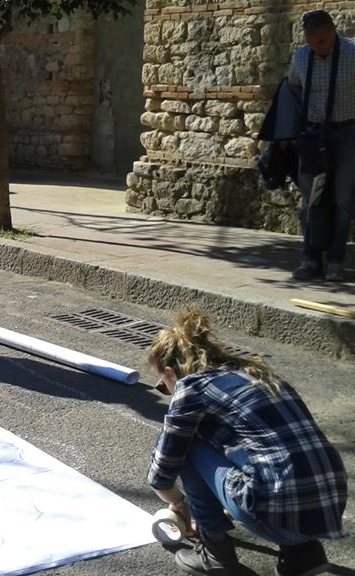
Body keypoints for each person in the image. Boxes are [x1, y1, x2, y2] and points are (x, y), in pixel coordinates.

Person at [147, 309, 346, 576]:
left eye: (163, 386)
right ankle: (303, 555)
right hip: (328, 503)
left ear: (171, 373)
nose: (167, 392)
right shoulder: (261, 375)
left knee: (188, 445)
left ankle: (215, 554)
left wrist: (180, 504)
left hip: (274, 507)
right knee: (269, 456)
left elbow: (161, 473)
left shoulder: (192, 386)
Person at [287, 10, 355, 282]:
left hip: (348, 133)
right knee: (311, 200)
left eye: (324, 41)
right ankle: (310, 259)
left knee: (342, 199)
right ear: (306, 38)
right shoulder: (302, 57)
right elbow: (291, 91)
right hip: (312, 137)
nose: (319, 47)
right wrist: (287, 132)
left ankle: (335, 261)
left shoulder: (352, 53)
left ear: (333, 33)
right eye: (313, 42)